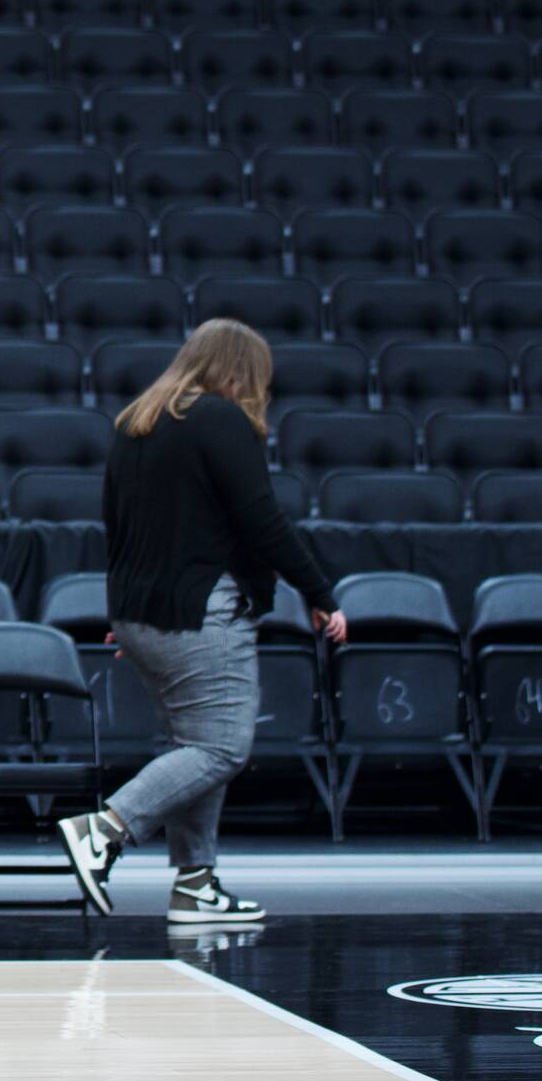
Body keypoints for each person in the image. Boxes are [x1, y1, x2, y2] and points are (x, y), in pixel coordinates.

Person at [56, 319, 346, 926]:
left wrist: (129, 609)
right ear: (242, 370)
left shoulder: (138, 421)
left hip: (143, 613)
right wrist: (319, 591)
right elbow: (261, 519)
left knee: (194, 746)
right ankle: (104, 828)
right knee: (221, 746)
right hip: (199, 611)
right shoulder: (220, 419)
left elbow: (118, 528)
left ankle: (195, 884)